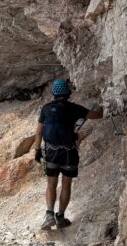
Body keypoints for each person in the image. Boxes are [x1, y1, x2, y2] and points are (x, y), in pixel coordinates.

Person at [32, 78, 103, 230]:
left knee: (51, 183)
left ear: (53, 93)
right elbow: (97, 115)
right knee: (66, 183)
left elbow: (39, 132)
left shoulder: (46, 109)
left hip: (51, 151)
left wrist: (37, 150)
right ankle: (60, 217)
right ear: (68, 93)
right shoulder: (74, 108)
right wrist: (102, 105)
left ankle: (49, 214)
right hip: (69, 152)